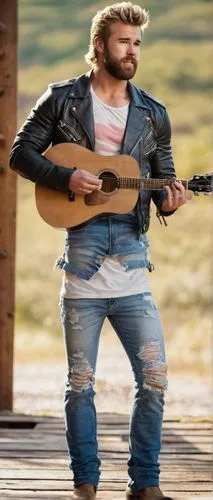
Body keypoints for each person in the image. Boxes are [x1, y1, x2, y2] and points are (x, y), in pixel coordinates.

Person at [10, 2, 191, 499]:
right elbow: (19, 152)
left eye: (137, 43)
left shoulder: (154, 113)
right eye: (123, 42)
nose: (132, 51)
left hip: (133, 262)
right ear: (99, 45)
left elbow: (162, 183)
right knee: (80, 385)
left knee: (154, 379)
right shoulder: (63, 99)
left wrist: (172, 203)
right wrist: (66, 176)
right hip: (83, 267)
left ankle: (144, 484)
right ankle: (86, 485)